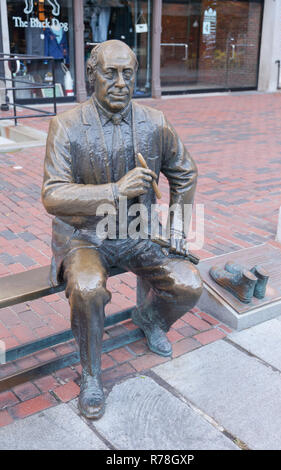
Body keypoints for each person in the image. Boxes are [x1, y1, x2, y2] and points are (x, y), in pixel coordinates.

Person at [42, 40, 202, 420]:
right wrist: (116, 190)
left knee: (188, 284)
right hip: (85, 236)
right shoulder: (65, 125)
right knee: (86, 288)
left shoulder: (155, 122)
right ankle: (92, 375)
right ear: (92, 76)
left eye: (127, 74)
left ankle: (149, 318)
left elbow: (186, 172)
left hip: (136, 230)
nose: (119, 82)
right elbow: (52, 194)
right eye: (110, 73)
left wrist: (178, 229)